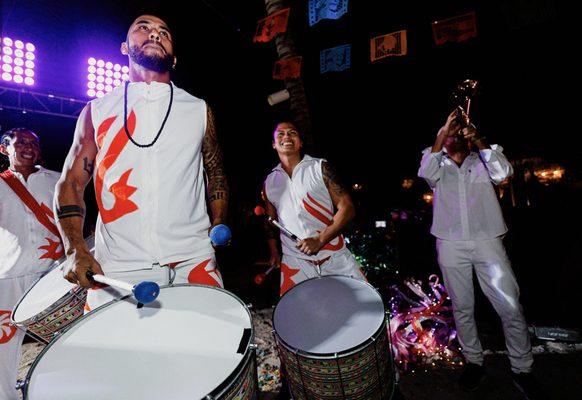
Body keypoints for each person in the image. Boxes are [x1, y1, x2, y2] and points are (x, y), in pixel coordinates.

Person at [55, 14, 228, 310]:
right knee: (118, 355)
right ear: (124, 47)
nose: (155, 34)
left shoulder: (198, 109)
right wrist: (75, 249)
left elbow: (216, 172)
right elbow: (70, 182)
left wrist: (219, 221)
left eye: (165, 32)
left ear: (174, 59)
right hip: (119, 266)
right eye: (143, 28)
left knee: (209, 351)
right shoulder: (96, 111)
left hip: (193, 259)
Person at [418, 109, 542, 398]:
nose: (454, 135)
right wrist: (441, 132)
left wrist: (480, 140)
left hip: (488, 241)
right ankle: (474, 361)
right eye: (449, 131)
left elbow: (504, 174)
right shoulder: (434, 158)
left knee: (509, 305)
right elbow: (426, 173)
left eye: (458, 130)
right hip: (449, 243)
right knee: (463, 308)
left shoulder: (486, 157)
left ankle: (522, 368)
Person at [263, 121, 366, 296]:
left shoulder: (319, 167)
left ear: (300, 142)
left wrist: (320, 239)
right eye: (280, 134)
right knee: (299, 321)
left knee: (364, 315)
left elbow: (348, 208)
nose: (286, 136)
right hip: (295, 265)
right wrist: (273, 251)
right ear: (274, 144)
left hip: (335, 258)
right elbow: (270, 221)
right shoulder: (270, 181)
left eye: (292, 132)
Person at [0, 128, 62, 400]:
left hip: (54, 273)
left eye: (34, 143)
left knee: (62, 336)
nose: (29, 147)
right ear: (5, 149)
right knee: (4, 344)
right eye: (21, 142)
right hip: (8, 274)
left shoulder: (58, 180)